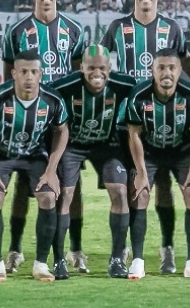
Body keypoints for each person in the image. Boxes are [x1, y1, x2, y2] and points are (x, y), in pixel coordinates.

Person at [102, 0, 188, 277]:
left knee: (162, 186)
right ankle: (125, 248)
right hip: (127, 122)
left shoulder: (172, 28)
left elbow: (182, 70)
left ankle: (166, 248)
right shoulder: (116, 28)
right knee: (130, 187)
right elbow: (103, 69)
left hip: (162, 121)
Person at [1, 0, 85, 272]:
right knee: (25, 184)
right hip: (28, 118)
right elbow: (11, 72)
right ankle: (15, 248)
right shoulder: (18, 31)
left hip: (60, 117)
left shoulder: (74, 30)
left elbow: (79, 76)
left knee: (70, 184)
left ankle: (75, 248)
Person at [0, 50, 68, 282]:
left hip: (35, 157)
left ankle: (41, 264)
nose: (29, 77)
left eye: (34, 72)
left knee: (48, 197)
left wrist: (51, 170)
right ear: (14, 73)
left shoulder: (52, 100)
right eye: (24, 72)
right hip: (2, 156)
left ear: (41, 74)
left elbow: (62, 131)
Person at [50, 46, 137, 278]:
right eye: (91, 68)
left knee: (119, 192)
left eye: (102, 68)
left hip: (107, 145)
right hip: (73, 146)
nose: (96, 73)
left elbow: (146, 94)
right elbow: (46, 98)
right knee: (65, 195)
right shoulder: (65, 86)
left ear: (110, 68)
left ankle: (117, 258)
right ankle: (59, 259)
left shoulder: (124, 84)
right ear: (81, 68)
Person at [126, 49, 190, 279]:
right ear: (152, 70)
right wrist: (141, 172)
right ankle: (138, 261)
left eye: (172, 68)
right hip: (150, 151)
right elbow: (134, 134)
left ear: (180, 70)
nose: (166, 72)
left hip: (181, 151)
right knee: (140, 193)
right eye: (161, 67)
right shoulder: (139, 94)